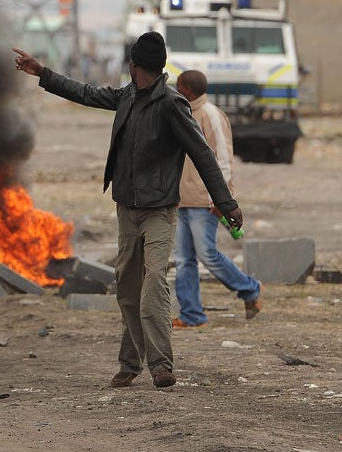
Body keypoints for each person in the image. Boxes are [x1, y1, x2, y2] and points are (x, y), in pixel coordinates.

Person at [13, 33, 244, 389]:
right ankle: (130, 363)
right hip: (127, 209)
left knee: (153, 287)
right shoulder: (128, 96)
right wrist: (43, 73)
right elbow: (86, 93)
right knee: (127, 289)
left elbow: (202, 153)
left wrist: (226, 203)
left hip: (160, 210)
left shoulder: (172, 104)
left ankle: (161, 365)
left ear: (134, 65)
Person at [172, 70, 262, 327]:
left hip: (205, 200)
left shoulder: (210, 114)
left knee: (207, 255)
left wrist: (220, 200)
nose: (176, 90)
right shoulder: (182, 113)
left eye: (178, 86)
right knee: (183, 259)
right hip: (182, 199)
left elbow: (224, 160)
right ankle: (191, 315)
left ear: (188, 89)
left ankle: (250, 288)